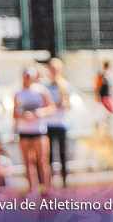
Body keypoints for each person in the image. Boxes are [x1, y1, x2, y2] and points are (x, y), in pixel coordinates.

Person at [13, 67, 53, 196]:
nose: (28, 79)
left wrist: (39, 113)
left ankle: (47, 188)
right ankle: (32, 189)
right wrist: (23, 116)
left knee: (42, 160)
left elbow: (52, 107)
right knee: (28, 161)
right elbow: (14, 114)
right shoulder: (18, 93)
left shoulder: (41, 91)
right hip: (24, 131)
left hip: (39, 130)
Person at [43, 58, 72, 189]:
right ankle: (48, 183)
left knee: (62, 154)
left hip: (61, 124)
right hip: (49, 124)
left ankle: (64, 182)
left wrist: (64, 103)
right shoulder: (45, 86)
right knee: (48, 156)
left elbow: (70, 105)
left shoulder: (65, 85)